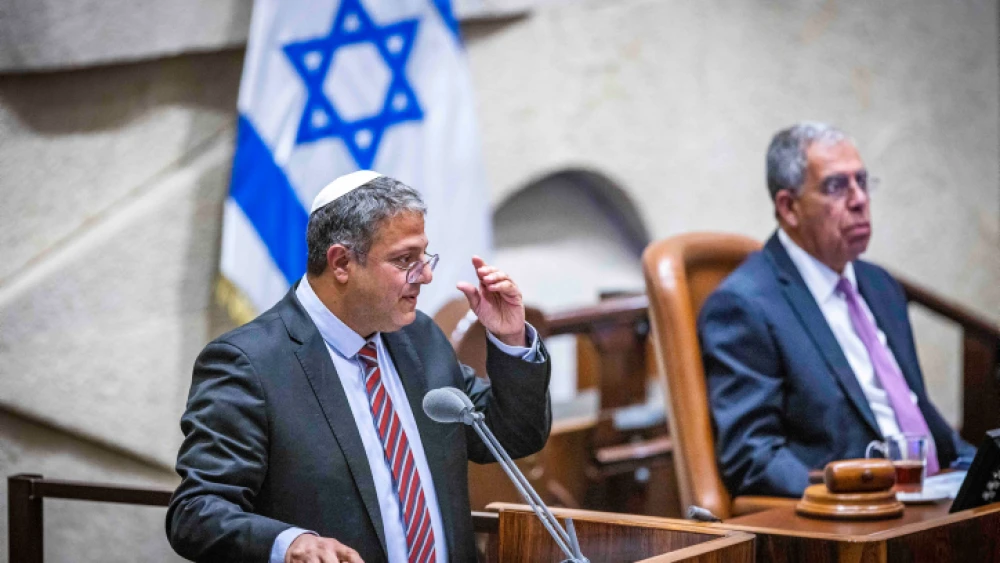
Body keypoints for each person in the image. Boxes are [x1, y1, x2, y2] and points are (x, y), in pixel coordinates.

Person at [166, 171, 551, 563]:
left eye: (424, 256)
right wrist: (289, 544)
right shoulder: (250, 364)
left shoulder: (419, 337)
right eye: (405, 260)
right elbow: (196, 512)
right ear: (341, 263)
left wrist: (511, 340)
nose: (427, 275)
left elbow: (512, 435)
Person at [698, 122, 974, 498]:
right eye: (836, 186)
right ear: (789, 207)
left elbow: (917, 418)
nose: (859, 199)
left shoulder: (880, 286)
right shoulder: (745, 305)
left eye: (861, 181)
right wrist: (852, 496)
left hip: (933, 497)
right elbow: (754, 458)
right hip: (853, 521)